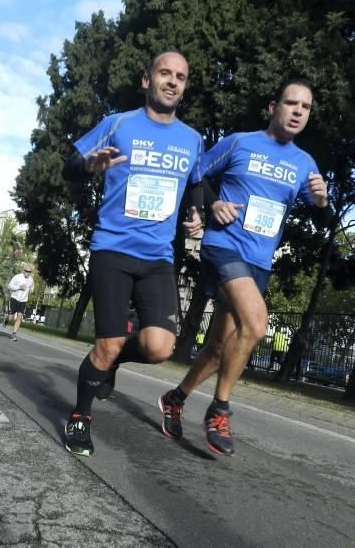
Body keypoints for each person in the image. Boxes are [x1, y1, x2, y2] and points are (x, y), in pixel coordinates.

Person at [158, 78, 330, 456]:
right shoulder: (239, 142)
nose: (298, 111)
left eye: (306, 107)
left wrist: (321, 202)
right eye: (291, 103)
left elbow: (322, 216)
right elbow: (195, 174)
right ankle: (219, 411)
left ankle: (175, 397)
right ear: (273, 108)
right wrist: (211, 204)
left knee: (221, 348)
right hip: (223, 248)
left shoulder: (305, 163)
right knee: (256, 323)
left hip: (259, 261)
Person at [60, 50, 205, 457]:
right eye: (165, 73)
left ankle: (115, 361)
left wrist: (196, 212)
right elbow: (70, 166)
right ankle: (80, 416)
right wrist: (87, 167)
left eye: (180, 76)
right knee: (104, 345)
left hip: (158, 256)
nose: (173, 81)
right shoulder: (118, 124)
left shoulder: (193, 139)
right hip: (112, 249)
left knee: (161, 348)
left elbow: (196, 182)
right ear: (147, 80)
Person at [1, 265, 35, 341]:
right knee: (11, 318)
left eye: (29, 272)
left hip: (23, 301)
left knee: (19, 317)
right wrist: (19, 287)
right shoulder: (17, 277)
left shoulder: (31, 280)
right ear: (23, 271)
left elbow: (32, 289)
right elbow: (9, 286)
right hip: (14, 299)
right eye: (26, 271)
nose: (28, 273)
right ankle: (6, 320)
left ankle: (13, 334)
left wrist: (30, 290)